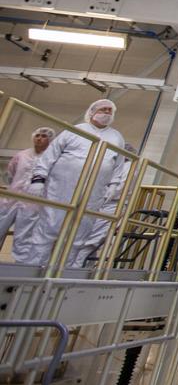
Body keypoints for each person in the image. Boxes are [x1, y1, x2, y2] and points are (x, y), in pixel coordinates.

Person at [13, 100, 124, 267]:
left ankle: (65, 271)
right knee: (49, 227)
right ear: (92, 112)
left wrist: (114, 185)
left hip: (94, 191)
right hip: (61, 187)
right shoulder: (75, 131)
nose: (107, 112)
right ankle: (32, 268)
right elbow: (50, 155)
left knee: (80, 232)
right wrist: (39, 179)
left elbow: (118, 164)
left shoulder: (116, 137)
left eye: (110, 110)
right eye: (103, 109)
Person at [68, 143, 135, 268]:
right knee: (83, 236)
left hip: (112, 205)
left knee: (92, 239)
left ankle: (76, 268)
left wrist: (98, 193)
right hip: (98, 203)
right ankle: (80, 268)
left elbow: (119, 189)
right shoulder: (113, 166)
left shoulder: (129, 167)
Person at [0, 127, 55, 244]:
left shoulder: (51, 159)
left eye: (44, 136)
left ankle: (19, 262)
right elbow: (10, 174)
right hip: (11, 199)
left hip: (33, 202)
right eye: (37, 135)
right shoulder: (21, 155)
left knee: (23, 235)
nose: (39, 138)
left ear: (50, 140)